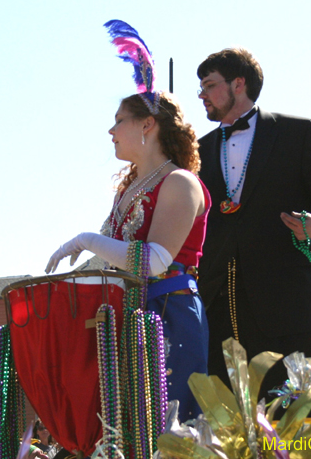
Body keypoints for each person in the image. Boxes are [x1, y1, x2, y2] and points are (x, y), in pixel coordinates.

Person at [195, 47, 311, 395]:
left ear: (239, 84)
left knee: (303, 418)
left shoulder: (296, 132)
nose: (201, 95)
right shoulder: (197, 151)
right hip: (220, 309)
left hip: (287, 306)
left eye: (208, 85)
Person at [46, 90, 211, 419]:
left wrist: (86, 240)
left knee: (169, 432)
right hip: (126, 320)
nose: (111, 132)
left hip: (169, 318)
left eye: (119, 121)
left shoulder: (180, 182)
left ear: (147, 124)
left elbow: (155, 261)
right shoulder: (128, 189)